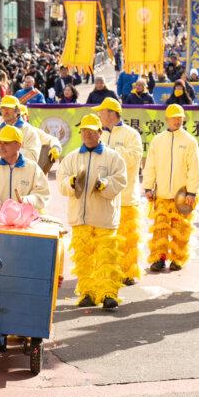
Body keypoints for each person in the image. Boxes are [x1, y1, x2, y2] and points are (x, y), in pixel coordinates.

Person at [58, 114, 128, 311]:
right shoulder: (71, 157)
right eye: (84, 131)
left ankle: (108, 294)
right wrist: (70, 183)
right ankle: (87, 292)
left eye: (91, 130)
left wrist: (106, 184)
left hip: (104, 216)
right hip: (80, 217)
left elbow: (121, 181)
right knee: (84, 256)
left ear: (100, 132)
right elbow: (61, 184)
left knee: (106, 257)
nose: (87, 134)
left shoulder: (113, 157)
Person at [142, 104, 199, 273]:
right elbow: (150, 166)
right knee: (160, 228)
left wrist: (191, 192)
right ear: (166, 119)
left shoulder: (190, 141)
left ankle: (178, 258)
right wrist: (148, 187)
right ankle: (159, 258)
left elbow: (194, 169)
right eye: (174, 117)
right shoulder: (158, 140)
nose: (177, 120)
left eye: (180, 117)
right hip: (161, 194)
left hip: (181, 195)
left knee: (179, 228)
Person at [98, 98, 145, 285]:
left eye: (101, 112)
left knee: (127, 239)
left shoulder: (131, 134)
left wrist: (111, 151)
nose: (99, 115)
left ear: (111, 113)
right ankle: (107, 269)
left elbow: (134, 159)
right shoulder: (99, 134)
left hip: (125, 197)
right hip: (103, 197)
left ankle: (127, 272)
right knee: (106, 238)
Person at [0, 125, 49, 212]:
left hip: (24, 221)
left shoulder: (32, 168)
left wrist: (27, 201)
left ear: (19, 145)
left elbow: (43, 194)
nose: (1, 146)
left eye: (6, 143)